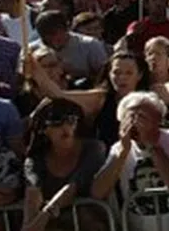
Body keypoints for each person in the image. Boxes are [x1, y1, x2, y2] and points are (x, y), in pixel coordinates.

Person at [93, 91, 169, 231]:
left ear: (158, 119)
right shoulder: (119, 148)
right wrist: (123, 152)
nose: (135, 123)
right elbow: (97, 192)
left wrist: (151, 146)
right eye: (130, 117)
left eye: (142, 117)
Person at [22, 98, 109, 231]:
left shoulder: (94, 149)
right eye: (56, 122)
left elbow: (74, 186)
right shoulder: (35, 159)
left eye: (71, 120)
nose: (65, 127)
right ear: (43, 129)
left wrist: (47, 213)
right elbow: (32, 196)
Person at [32, 11, 108, 83]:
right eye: (47, 36)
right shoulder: (32, 50)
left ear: (66, 29)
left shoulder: (90, 45)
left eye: (55, 34)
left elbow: (104, 76)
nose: (53, 40)